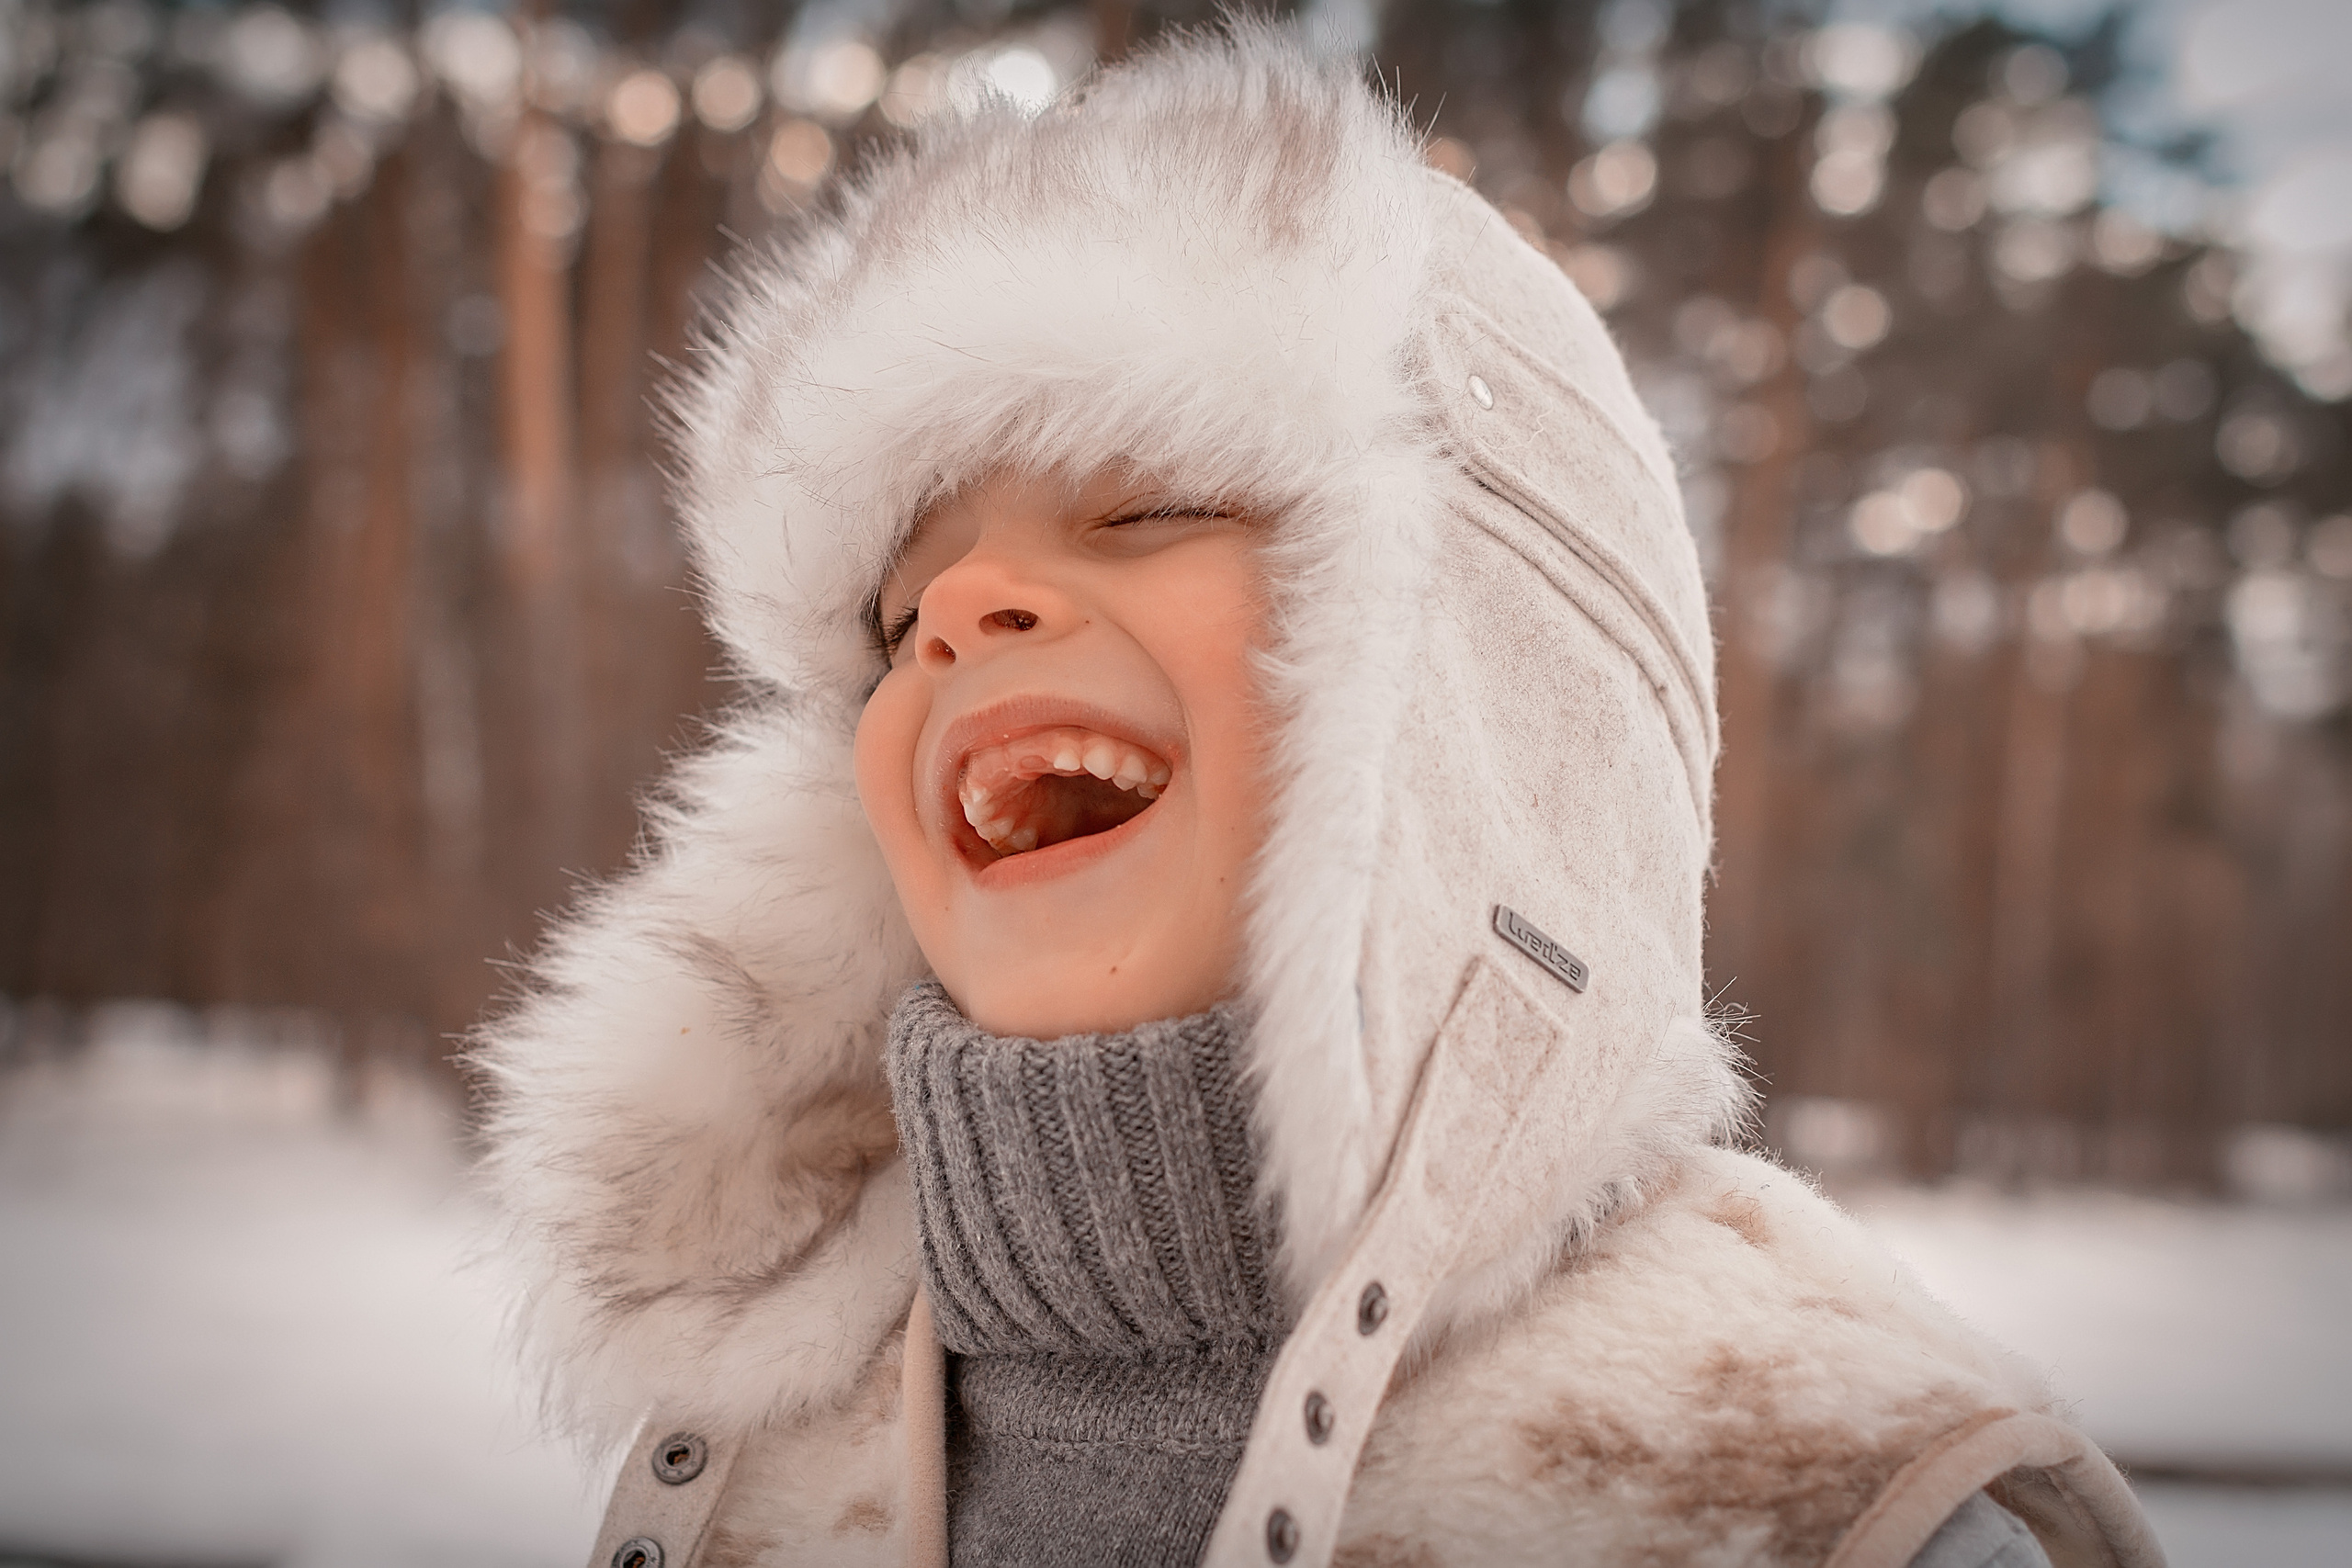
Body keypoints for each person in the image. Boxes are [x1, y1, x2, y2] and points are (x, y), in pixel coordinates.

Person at [477, 24, 2164, 1568]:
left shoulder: (1794, 1490)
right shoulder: (752, 1487)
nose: (963, 611)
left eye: (1148, 508)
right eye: (895, 613)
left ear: (1483, 673)